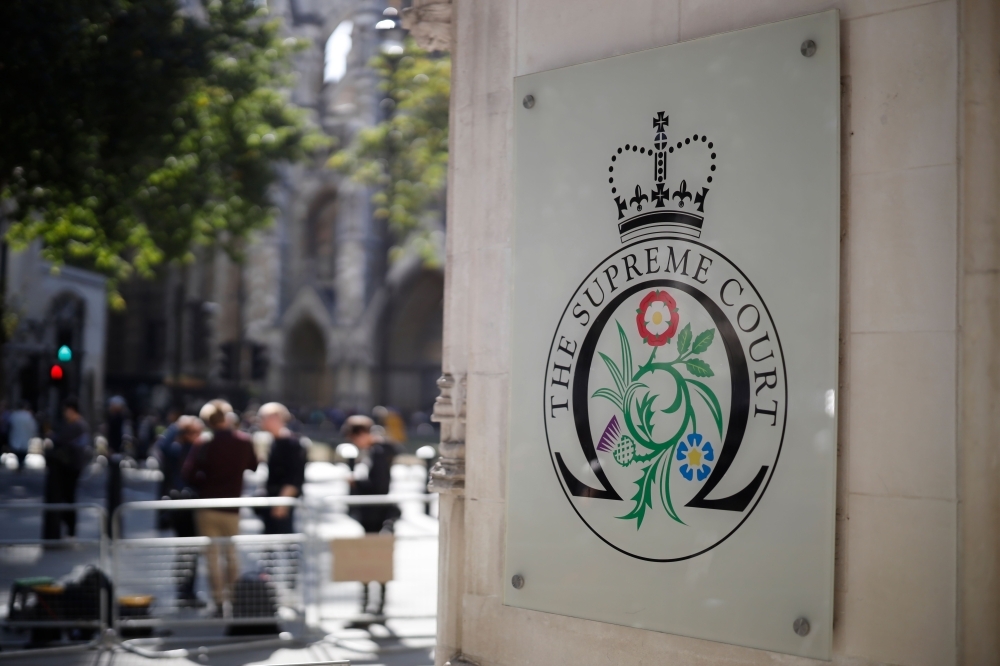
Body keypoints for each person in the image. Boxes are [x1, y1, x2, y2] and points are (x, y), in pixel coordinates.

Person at [182, 400, 257, 615]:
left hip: (207, 505)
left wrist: (206, 482)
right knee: (232, 555)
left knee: (212, 556)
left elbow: (188, 474)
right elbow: (254, 465)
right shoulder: (243, 441)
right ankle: (234, 599)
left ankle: (217, 601)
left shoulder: (204, 443)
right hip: (232, 506)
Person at [345, 414, 400, 615]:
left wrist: (356, 483)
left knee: (375, 560)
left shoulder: (377, 452)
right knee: (370, 561)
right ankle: (369, 604)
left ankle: (376, 606)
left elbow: (379, 486)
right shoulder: (374, 451)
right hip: (372, 516)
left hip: (377, 516)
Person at [158, 415, 205, 607]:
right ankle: (184, 591)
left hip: (193, 504)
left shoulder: (200, 450)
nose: (197, 435)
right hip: (180, 505)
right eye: (193, 432)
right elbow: (162, 444)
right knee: (186, 550)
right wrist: (177, 426)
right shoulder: (177, 450)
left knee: (189, 551)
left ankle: (187, 591)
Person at [42, 397, 91, 540]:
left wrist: (51, 436)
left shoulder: (77, 425)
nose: (65, 413)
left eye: (67, 410)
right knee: (67, 496)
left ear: (72, 410)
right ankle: (68, 527)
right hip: (70, 466)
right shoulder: (77, 424)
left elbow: (60, 440)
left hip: (70, 466)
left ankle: (70, 528)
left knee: (68, 496)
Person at [258, 403, 307, 535]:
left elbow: (295, 477)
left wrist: (282, 503)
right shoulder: (274, 441)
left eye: (264, 417)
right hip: (273, 501)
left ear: (275, 417)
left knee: (287, 546)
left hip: (282, 504)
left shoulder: (292, 443)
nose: (260, 421)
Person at [8, 401, 37, 472]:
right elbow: (33, 427)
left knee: (18, 451)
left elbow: (10, 426)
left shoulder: (15, 415)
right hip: (24, 436)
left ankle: (20, 464)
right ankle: (21, 464)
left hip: (17, 435)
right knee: (23, 451)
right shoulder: (28, 416)